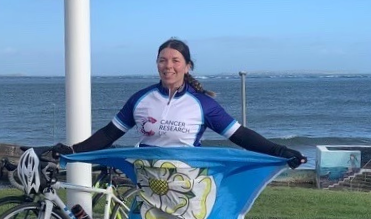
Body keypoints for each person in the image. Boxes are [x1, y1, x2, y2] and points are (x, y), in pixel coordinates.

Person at [52, 38, 307, 169]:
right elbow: (109, 133)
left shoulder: (203, 105)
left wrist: (279, 151)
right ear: (156, 64)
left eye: (175, 60)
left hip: (188, 183)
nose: (168, 66)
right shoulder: (141, 98)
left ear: (187, 66)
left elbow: (239, 135)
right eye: (163, 60)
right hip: (147, 181)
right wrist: (73, 151)